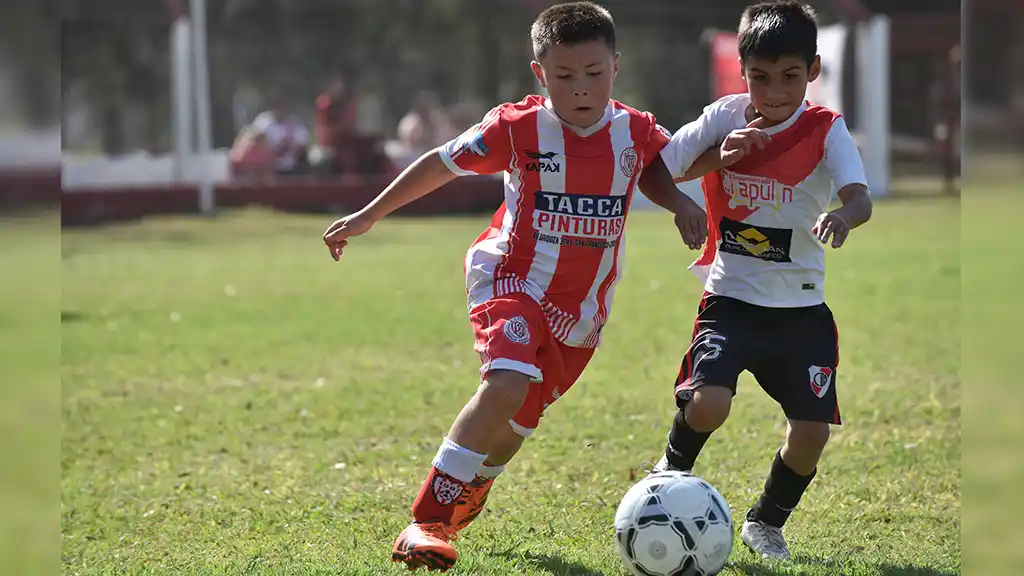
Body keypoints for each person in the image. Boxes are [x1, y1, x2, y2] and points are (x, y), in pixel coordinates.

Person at [320, 2, 758, 571]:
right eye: (565, 77)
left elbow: (653, 164)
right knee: (505, 384)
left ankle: (471, 489)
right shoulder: (517, 127)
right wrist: (369, 215)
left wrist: (679, 202)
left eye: (594, 75)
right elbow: (438, 162)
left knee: (517, 426)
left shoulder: (634, 128)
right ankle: (424, 521)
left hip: (581, 311)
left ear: (616, 68)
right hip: (511, 277)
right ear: (539, 74)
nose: (581, 89)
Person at [649, 0, 874, 561]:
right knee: (708, 404)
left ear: (813, 71)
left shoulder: (826, 130)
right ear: (743, 71)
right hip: (731, 299)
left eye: (790, 77)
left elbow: (860, 195)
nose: (773, 93)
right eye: (760, 78)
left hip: (802, 311)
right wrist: (715, 162)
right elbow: (659, 170)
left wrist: (843, 216)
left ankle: (765, 522)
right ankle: (667, 474)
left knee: (812, 433)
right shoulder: (724, 116)